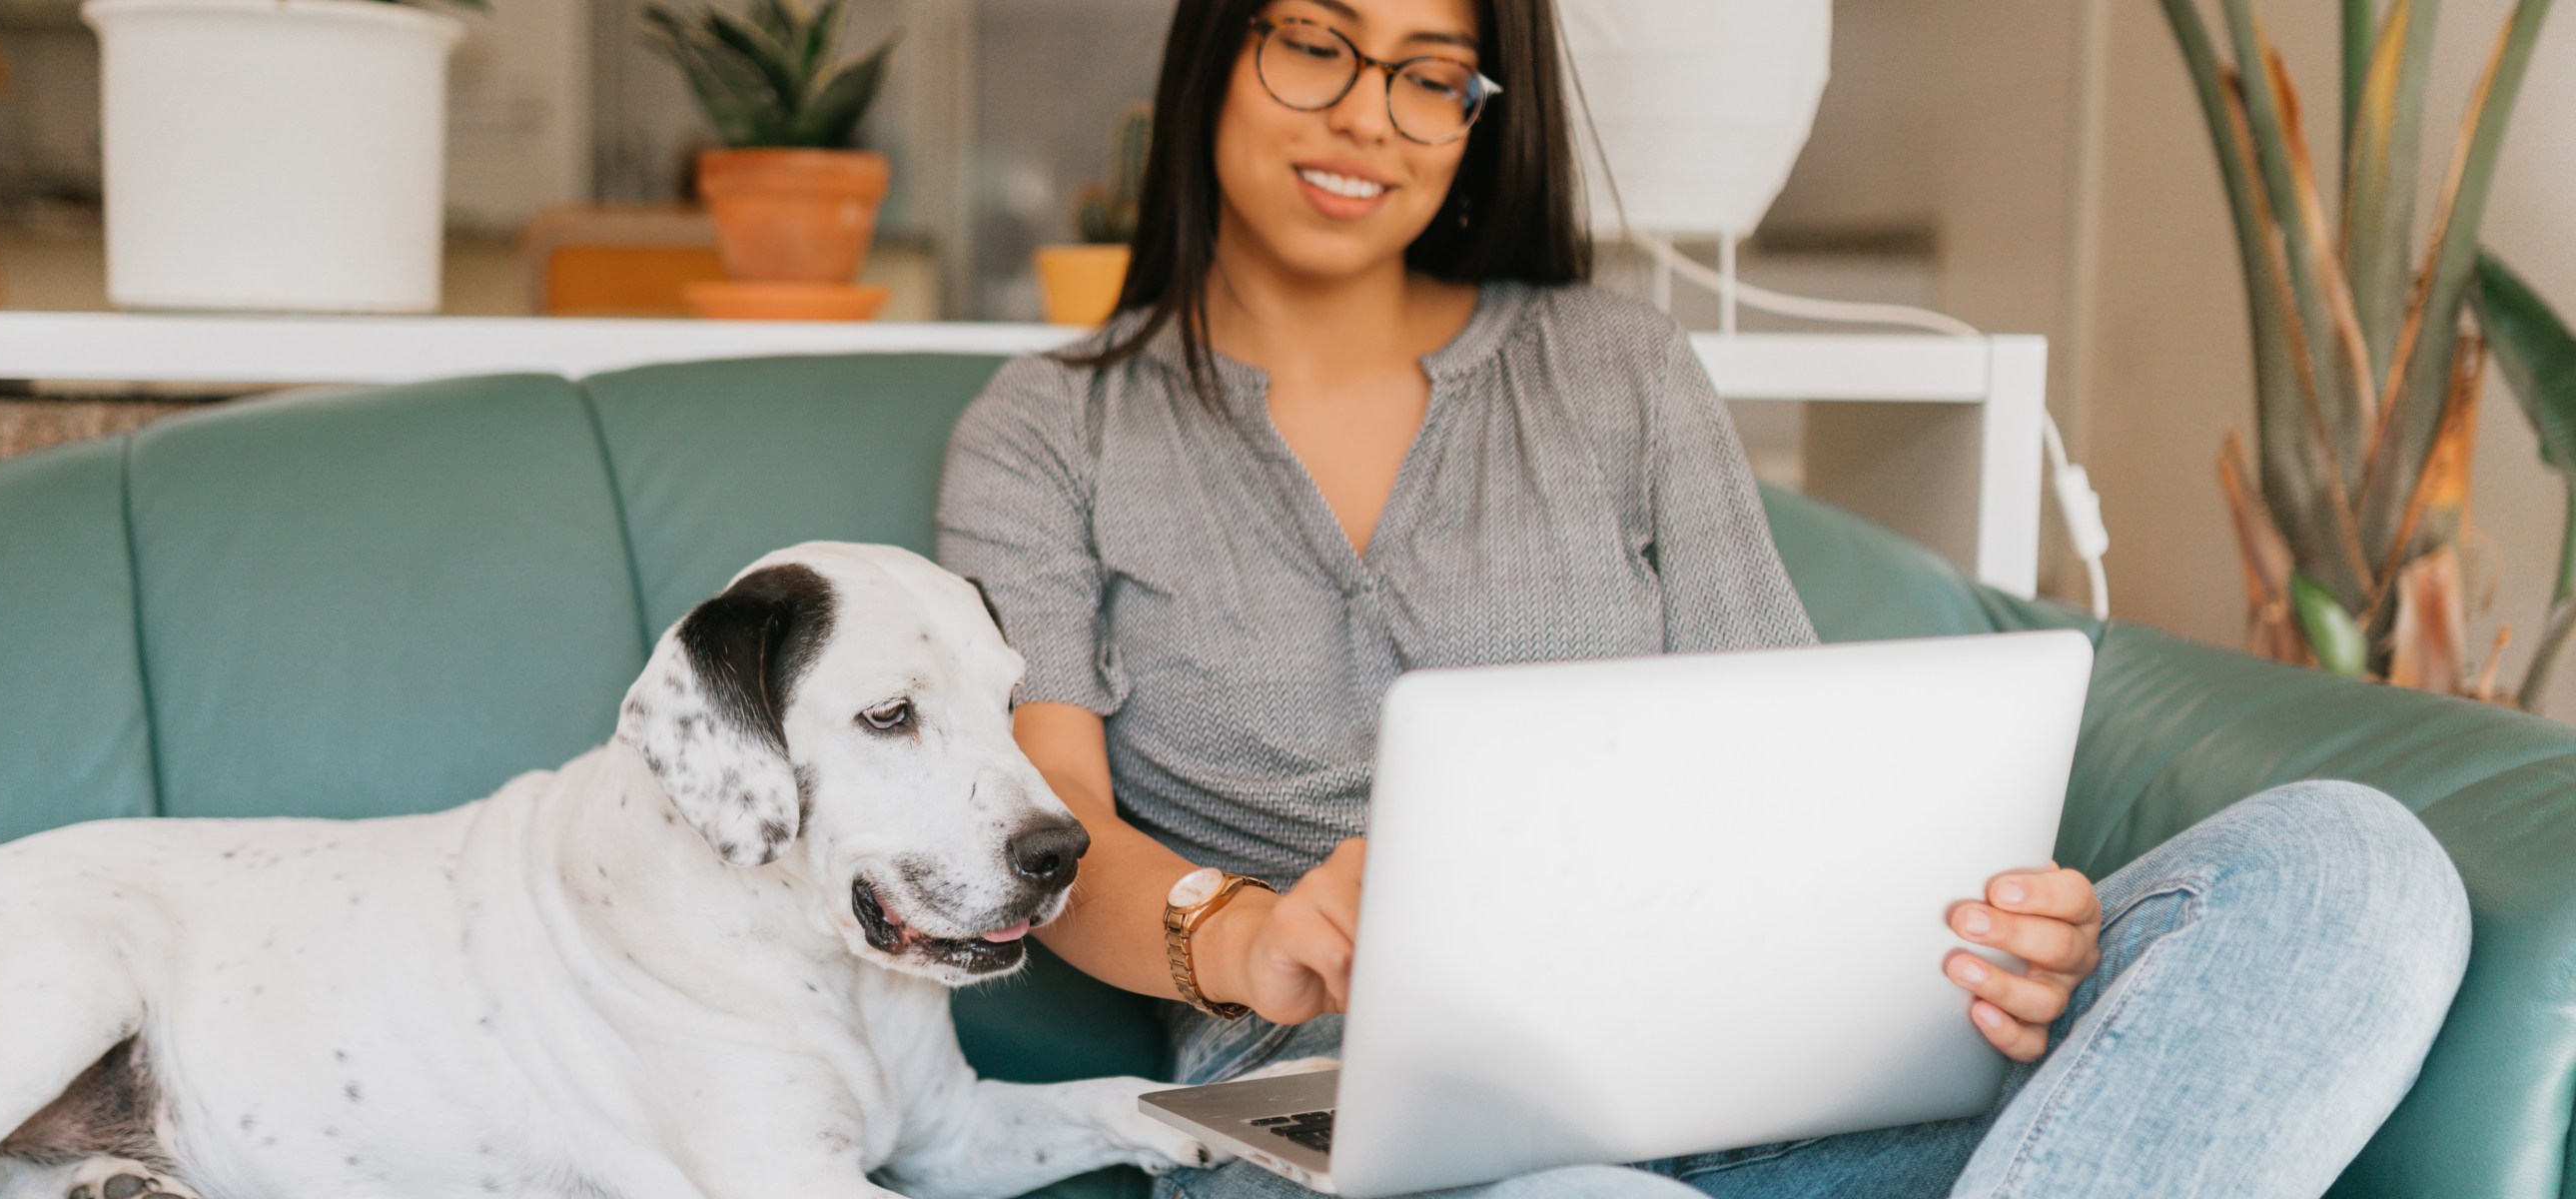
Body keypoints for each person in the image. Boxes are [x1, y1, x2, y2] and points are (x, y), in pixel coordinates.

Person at [935, 0, 2472, 1193]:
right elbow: (1049, 827)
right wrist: (1247, 934)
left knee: (2353, 860)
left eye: (1428, 73)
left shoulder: (1618, 369)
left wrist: (2000, 939)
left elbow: (1787, 769)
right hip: (1350, 1117)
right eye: (1316, 48)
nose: (1367, 117)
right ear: (1218, 46)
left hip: (1752, 1079)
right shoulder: (1051, 429)